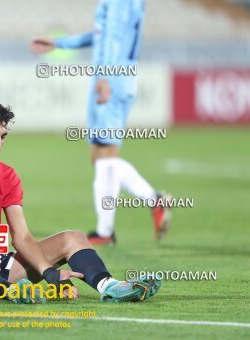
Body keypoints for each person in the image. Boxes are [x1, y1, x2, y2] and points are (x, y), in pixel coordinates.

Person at [0, 98, 160, 303]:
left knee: (73, 237)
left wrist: (49, 273)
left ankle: (109, 287)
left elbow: (22, 237)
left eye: (3, 137)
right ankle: (11, 290)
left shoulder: (6, 175)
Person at [30, 0, 172, 245]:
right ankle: (107, 229)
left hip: (111, 78)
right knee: (99, 155)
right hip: (117, 76)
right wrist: (60, 43)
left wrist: (106, 77)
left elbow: (113, 38)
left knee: (106, 155)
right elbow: (103, 35)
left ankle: (150, 202)